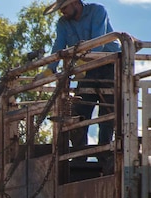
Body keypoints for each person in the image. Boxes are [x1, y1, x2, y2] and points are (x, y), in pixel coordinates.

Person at [41, 0, 120, 149]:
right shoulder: (63, 23)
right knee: (79, 112)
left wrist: (84, 65)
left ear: (76, 3)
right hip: (87, 69)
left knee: (108, 114)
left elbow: (98, 42)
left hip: (110, 65)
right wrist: (50, 69)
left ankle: (104, 156)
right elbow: (59, 45)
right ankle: (79, 155)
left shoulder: (97, 11)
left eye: (64, 7)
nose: (62, 11)